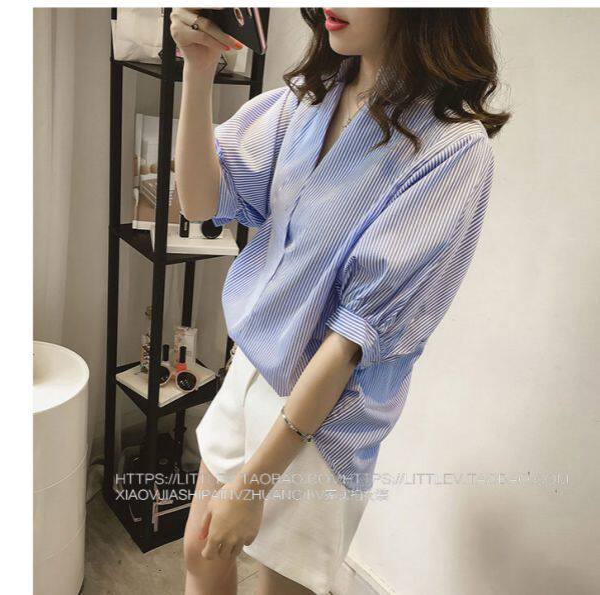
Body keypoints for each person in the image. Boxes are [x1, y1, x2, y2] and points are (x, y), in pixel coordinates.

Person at [171, 7, 510, 595]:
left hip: (323, 420)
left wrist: (254, 486)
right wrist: (198, 69)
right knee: (200, 554)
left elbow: (352, 339)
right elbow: (200, 202)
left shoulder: (453, 148)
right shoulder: (309, 99)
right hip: (253, 368)